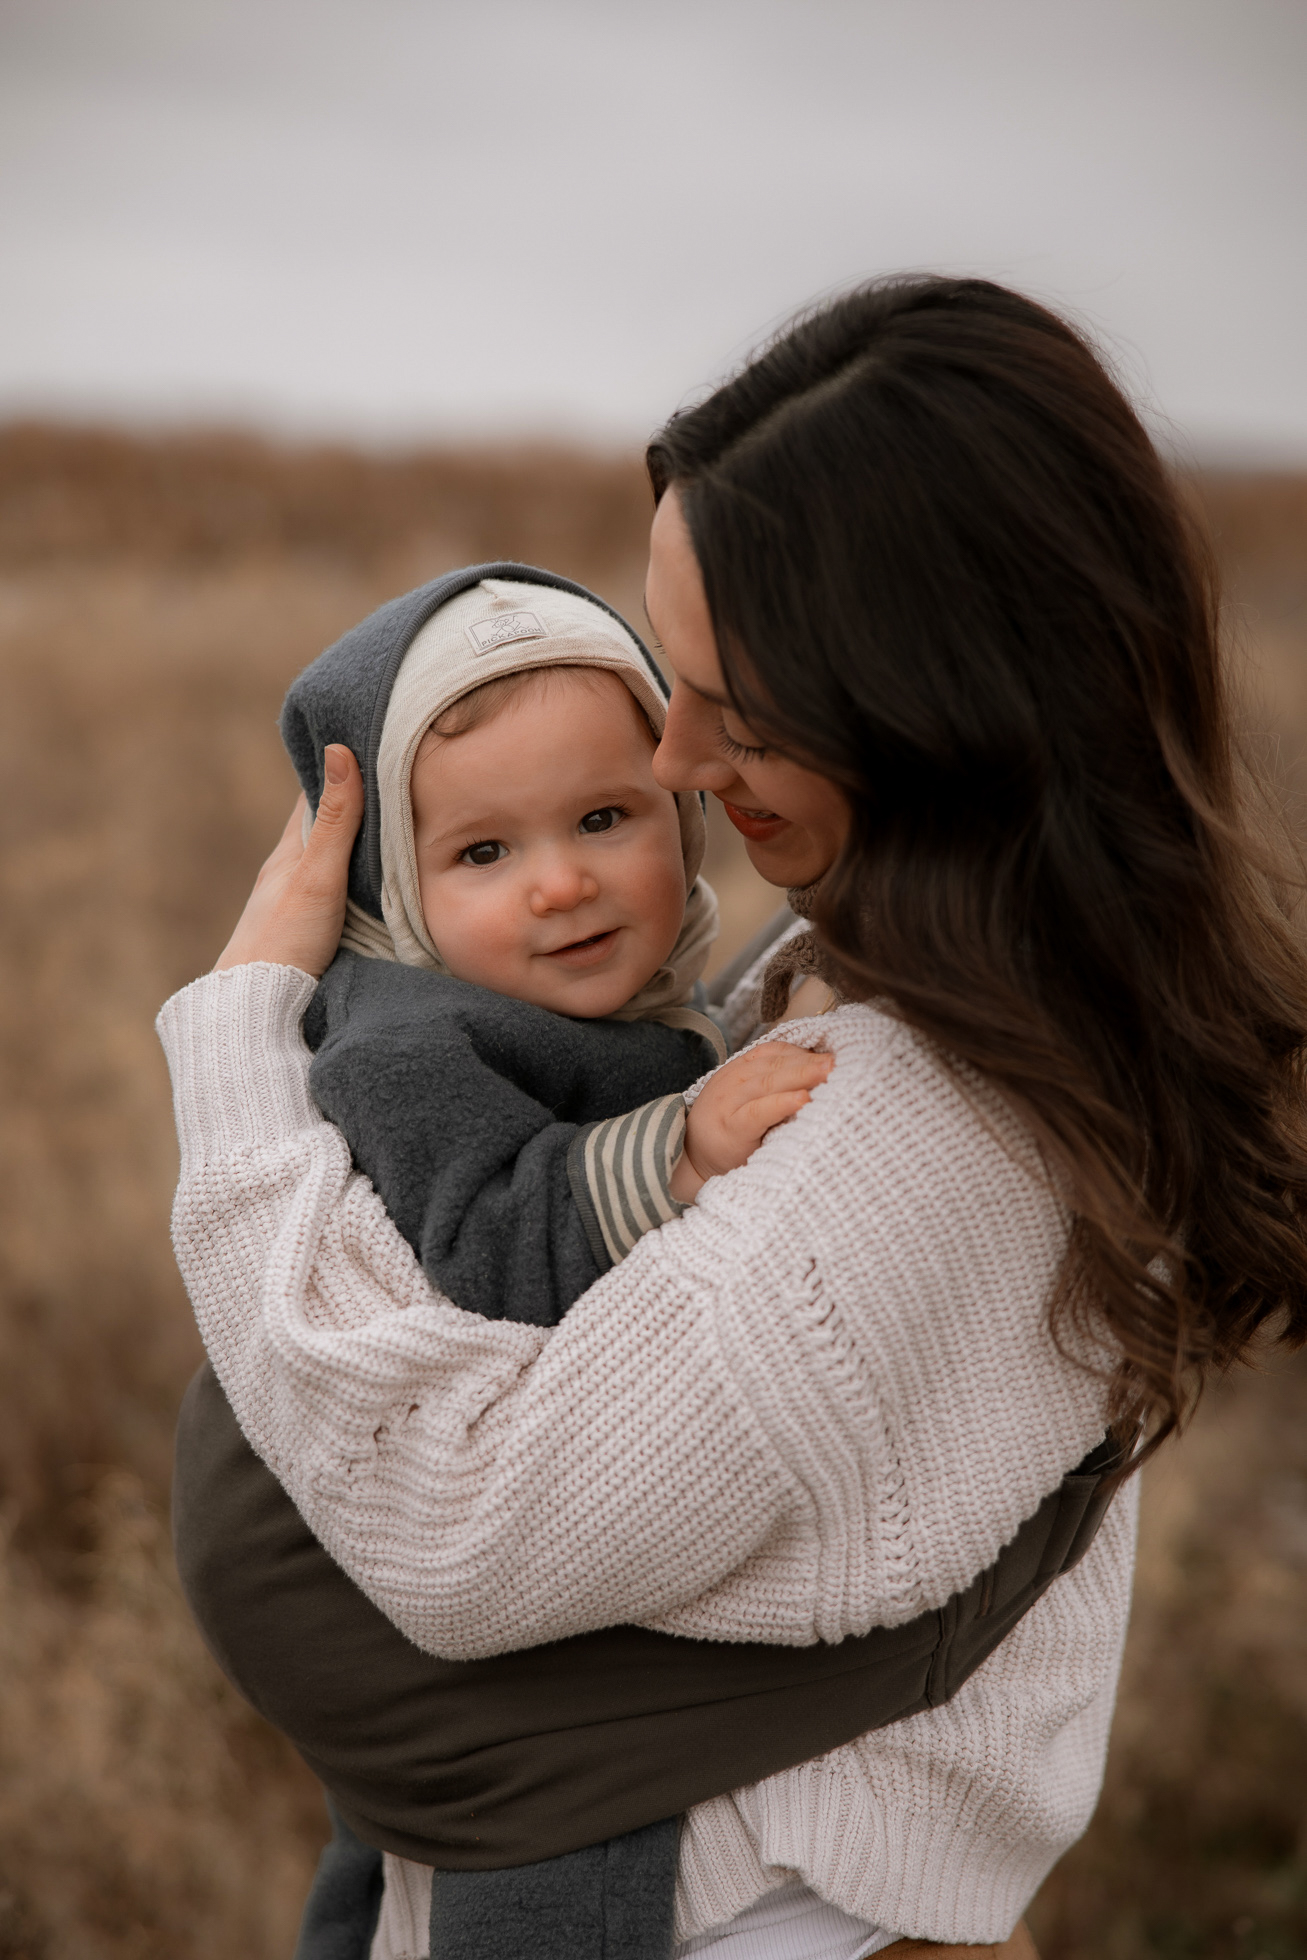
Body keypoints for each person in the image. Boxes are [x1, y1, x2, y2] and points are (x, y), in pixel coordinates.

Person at [157, 276, 1307, 1959]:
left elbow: (458, 1531)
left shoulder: (914, 1130)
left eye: (732, 701)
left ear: (935, 692)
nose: (683, 760)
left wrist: (239, 1037)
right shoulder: (903, 974)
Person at [213, 563, 831, 1956]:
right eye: (484, 854)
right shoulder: (408, 1046)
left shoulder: (598, 1004)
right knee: (555, 1809)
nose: (561, 883)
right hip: (371, 1518)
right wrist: (673, 1152)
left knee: (386, 1853)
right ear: (398, 891)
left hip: (471, 1521)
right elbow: (489, 1239)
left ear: (680, 815)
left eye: (606, 818)